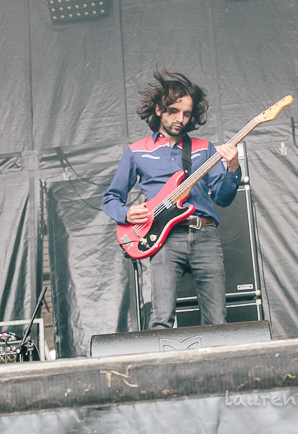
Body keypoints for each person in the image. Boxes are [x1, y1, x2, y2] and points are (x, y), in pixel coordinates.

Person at [102, 69, 241, 329]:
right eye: (174, 111)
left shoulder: (204, 148)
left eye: (186, 114)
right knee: (161, 319)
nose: (180, 119)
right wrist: (127, 213)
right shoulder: (137, 151)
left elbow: (223, 198)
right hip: (164, 238)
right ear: (159, 110)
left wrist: (232, 167)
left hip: (205, 234)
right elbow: (110, 198)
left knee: (217, 321)